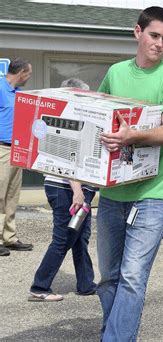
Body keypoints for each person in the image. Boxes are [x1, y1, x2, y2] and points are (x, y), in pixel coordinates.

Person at [96, 7, 163, 341]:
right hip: (112, 193)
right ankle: (117, 333)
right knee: (108, 278)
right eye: (154, 35)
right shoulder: (115, 72)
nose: (160, 44)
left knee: (132, 277)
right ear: (138, 32)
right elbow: (100, 120)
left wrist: (132, 135)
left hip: (151, 195)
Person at [28, 78, 97, 302]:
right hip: (66, 188)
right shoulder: (66, 119)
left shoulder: (70, 117)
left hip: (74, 188)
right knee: (64, 238)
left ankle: (86, 284)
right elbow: (66, 159)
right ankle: (39, 287)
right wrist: (77, 190)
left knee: (80, 237)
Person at [0, 58, 33, 257]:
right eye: (28, 73)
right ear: (21, 72)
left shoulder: (20, 95)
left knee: (12, 195)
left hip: (17, 149)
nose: (29, 78)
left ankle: (9, 238)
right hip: (1, 149)